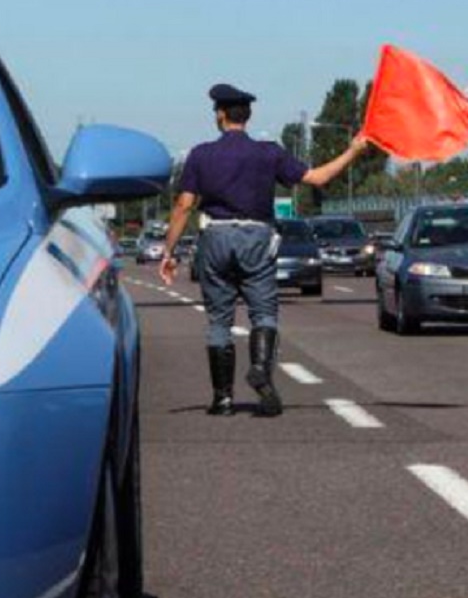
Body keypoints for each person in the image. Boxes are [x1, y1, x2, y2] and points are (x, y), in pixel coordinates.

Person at [159, 83, 371, 417]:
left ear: (220, 115)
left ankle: (223, 398)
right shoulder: (269, 153)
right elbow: (317, 178)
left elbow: (184, 206)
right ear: (248, 115)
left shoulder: (200, 155)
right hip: (257, 237)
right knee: (264, 312)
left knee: (218, 320)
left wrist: (168, 252)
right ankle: (259, 366)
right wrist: (354, 150)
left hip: (215, 236)